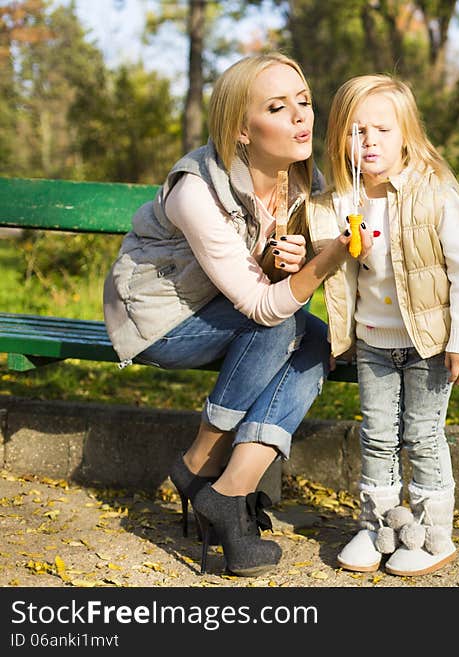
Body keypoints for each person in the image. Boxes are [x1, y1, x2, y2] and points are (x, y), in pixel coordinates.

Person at [102, 53, 369, 577]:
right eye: (277, 106)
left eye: (304, 101)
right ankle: (200, 461)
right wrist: (323, 260)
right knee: (281, 324)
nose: (300, 117)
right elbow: (262, 306)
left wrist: (289, 261)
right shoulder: (195, 190)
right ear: (241, 130)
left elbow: (274, 286)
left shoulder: (301, 182)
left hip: (228, 310)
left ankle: (230, 490)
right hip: (160, 320)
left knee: (313, 342)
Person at [308, 74, 459, 577]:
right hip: (373, 343)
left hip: (428, 343)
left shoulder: (435, 194)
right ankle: (380, 528)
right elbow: (333, 271)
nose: (368, 142)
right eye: (355, 131)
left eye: (381, 129)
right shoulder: (339, 201)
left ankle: (431, 536)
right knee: (378, 438)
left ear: (406, 133)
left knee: (423, 437)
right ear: (339, 136)